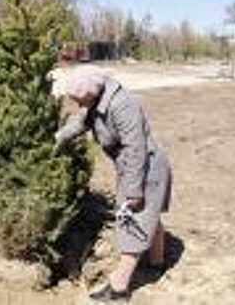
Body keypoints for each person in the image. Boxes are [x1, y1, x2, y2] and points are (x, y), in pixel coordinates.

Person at [54, 69, 172, 303]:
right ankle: (157, 264)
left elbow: (136, 149)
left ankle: (118, 288)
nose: (76, 104)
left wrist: (134, 190)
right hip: (133, 167)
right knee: (151, 215)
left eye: (78, 99)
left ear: (89, 93)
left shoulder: (122, 105)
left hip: (146, 169)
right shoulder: (99, 100)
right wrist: (59, 138)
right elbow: (82, 122)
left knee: (133, 220)